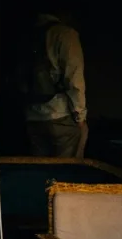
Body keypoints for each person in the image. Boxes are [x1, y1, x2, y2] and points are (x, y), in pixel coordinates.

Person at [21, 11, 87, 158]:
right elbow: (74, 79)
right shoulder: (65, 34)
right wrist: (80, 117)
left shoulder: (28, 35)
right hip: (60, 114)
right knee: (67, 173)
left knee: (41, 173)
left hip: (32, 115)